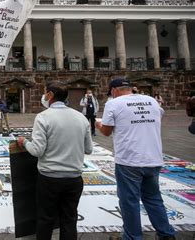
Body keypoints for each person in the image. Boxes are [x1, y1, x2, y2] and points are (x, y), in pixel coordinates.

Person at [96, 78, 176, 240]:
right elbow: (158, 115)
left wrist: (98, 124)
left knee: (129, 201)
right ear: (131, 88)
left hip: (129, 159)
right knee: (153, 198)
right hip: (153, 157)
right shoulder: (152, 101)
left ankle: (132, 236)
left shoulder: (114, 103)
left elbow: (106, 131)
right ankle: (166, 234)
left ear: (113, 91)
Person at [17, 81, 93, 240]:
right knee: (69, 218)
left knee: (45, 218)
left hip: (50, 178)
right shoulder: (81, 117)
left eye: (45, 92)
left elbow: (37, 150)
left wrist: (24, 142)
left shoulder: (43, 117)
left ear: (50, 95)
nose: (43, 96)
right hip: (74, 178)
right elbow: (88, 149)